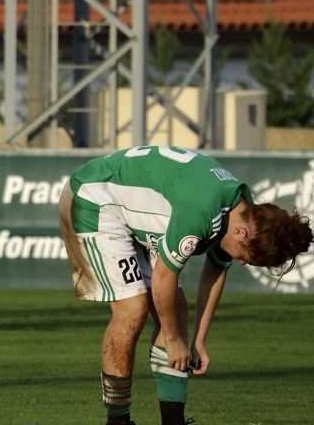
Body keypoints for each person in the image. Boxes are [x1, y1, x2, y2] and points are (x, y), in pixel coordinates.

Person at [58, 146, 313, 425]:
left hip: (137, 216)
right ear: (241, 234)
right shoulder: (203, 210)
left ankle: (173, 420)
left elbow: (215, 270)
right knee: (133, 309)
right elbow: (164, 277)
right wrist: (174, 339)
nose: (241, 263)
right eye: (245, 257)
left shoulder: (241, 208)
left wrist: (197, 340)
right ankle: (117, 420)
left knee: (175, 311)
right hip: (94, 199)